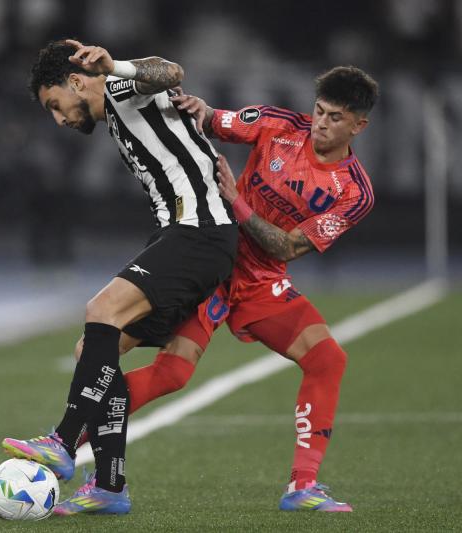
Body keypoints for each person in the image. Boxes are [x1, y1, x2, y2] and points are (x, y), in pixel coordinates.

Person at [67, 66, 378, 514]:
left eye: (334, 118)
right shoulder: (280, 126)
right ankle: (68, 442)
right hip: (215, 265)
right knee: (167, 373)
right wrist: (195, 108)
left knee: (327, 358)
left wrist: (238, 201)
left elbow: (288, 247)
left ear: (358, 125)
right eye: (319, 111)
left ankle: (303, 486)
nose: (321, 124)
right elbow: (214, 120)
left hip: (262, 280)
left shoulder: (354, 191)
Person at [1, 39, 237, 515]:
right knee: (93, 348)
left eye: (55, 105)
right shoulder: (116, 112)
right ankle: (109, 486)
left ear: (76, 81)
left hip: (201, 231)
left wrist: (114, 66)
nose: (59, 118)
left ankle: (63, 442)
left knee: (100, 310)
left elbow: (171, 70)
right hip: (180, 235)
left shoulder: (121, 89)